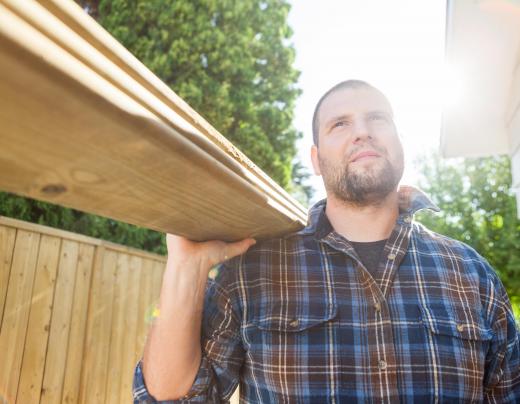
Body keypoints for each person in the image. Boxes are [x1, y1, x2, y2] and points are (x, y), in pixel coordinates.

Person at [133, 80, 520, 403]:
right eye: (340, 124)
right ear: (316, 161)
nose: (362, 131)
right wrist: (186, 265)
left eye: (377, 119)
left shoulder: (472, 275)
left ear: (401, 142)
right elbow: (172, 398)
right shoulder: (254, 270)